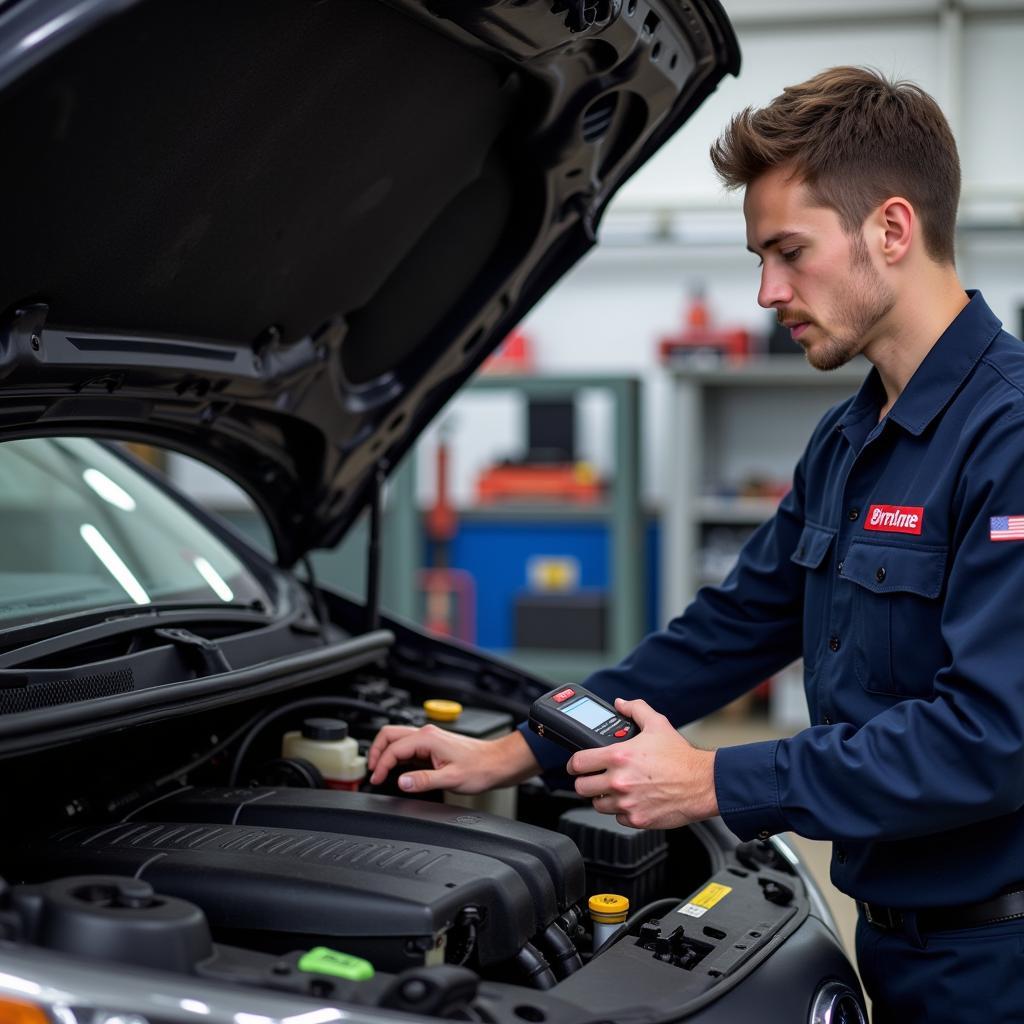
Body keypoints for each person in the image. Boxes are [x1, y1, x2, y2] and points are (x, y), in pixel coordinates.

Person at [368, 67, 1024, 1021]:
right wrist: (510, 752)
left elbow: (993, 741)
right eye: (762, 258)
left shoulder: (1007, 439)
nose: (767, 291)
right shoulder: (850, 441)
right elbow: (728, 629)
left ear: (891, 228)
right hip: (892, 937)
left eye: (790, 253)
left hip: (997, 960)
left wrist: (719, 778)